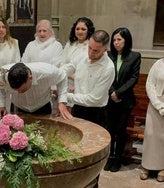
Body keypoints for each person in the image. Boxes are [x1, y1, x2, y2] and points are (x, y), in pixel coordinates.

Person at [61, 30, 115, 188]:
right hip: (78, 110)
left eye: (96, 50)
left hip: (96, 114)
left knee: (92, 162)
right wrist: (55, 77)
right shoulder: (83, 55)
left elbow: (94, 99)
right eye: (90, 48)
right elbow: (67, 69)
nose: (91, 52)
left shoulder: (108, 68)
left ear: (105, 48)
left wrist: (66, 97)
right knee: (74, 154)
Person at [104, 27, 141, 172]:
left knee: (120, 130)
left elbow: (133, 78)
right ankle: (109, 158)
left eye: (119, 39)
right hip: (109, 99)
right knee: (109, 130)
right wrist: (112, 91)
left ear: (126, 40)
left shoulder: (134, 56)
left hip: (125, 100)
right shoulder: (108, 55)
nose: (116, 42)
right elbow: (105, 75)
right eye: (114, 40)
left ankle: (117, 159)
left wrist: (118, 93)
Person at [0, 62, 72, 120]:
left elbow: (63, 77)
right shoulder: (3, 74)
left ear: (30, 77)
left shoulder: (47, 72)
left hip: (42, 106)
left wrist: (62, 102)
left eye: (22, 90)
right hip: (18, 106)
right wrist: (1, 104)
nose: (19, 92)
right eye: (16, 90)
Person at [61, 17, 95, 108]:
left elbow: (89, 68)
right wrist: (68, 75)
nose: (80, 32)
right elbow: (62, 62)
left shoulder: (91, 46)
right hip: (65, 80)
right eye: (77, 29)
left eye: (83, 29)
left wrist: (75, 77)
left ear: (89, 31)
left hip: (81, 84)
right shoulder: (70, 44)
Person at [140, 58, 164, 182]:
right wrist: (158, 104)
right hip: (155, 106)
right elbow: (150, 85)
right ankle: (147, 165)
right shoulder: (158, 64)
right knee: (151, 136)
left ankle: (162, 168)